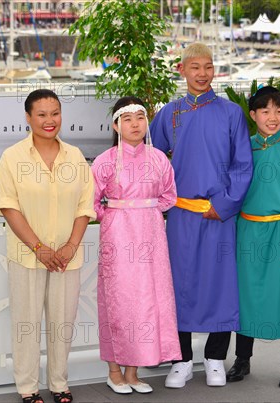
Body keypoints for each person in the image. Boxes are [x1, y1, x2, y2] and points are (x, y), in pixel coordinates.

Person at [149, 43, 253, 388]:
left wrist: (223, 205)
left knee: (221, 286)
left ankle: (215, 359)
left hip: (219, 215)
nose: (202, 74)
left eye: (208, 67)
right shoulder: (169, 114)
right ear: (182, 70)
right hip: (180, 215)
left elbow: (243, 166)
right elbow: (154, 161)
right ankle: (181, 360)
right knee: (180, 286)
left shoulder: (231, 113)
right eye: (195, 67)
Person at [0, 89, 96, 403]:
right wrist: (40, 248)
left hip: (68, 257)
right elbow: (9, 207)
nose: (49, 120)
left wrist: (70, 246)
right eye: (41, 114)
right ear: (28, 117)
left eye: (55, 113)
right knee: (26, 323)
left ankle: (59, 383)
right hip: (27, 256)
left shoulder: (75, 156)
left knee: (62, 323)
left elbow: (85, 206)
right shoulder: (13, 158)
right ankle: (27, 388)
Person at [92, 97, 181, 395]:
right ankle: (114, 371)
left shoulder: (158, 159)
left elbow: (169, 195)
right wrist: (114, 215)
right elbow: (92, 202)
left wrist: (148, 211)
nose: (134, 124)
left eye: (140, 117)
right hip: (118, 237)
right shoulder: (104, 161)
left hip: (151, 234)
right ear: (116, 125)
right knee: (119, 301)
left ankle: (134, 371)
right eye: (127, 118)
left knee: (147, 299)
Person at [225, 86, 280, 388]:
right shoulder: (243, 149)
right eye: (265, 111)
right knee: (245, 297)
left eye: (279, 111)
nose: (272, 118)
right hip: (248, 233)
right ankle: (242, 359)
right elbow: (233, 195)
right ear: (253, 115)